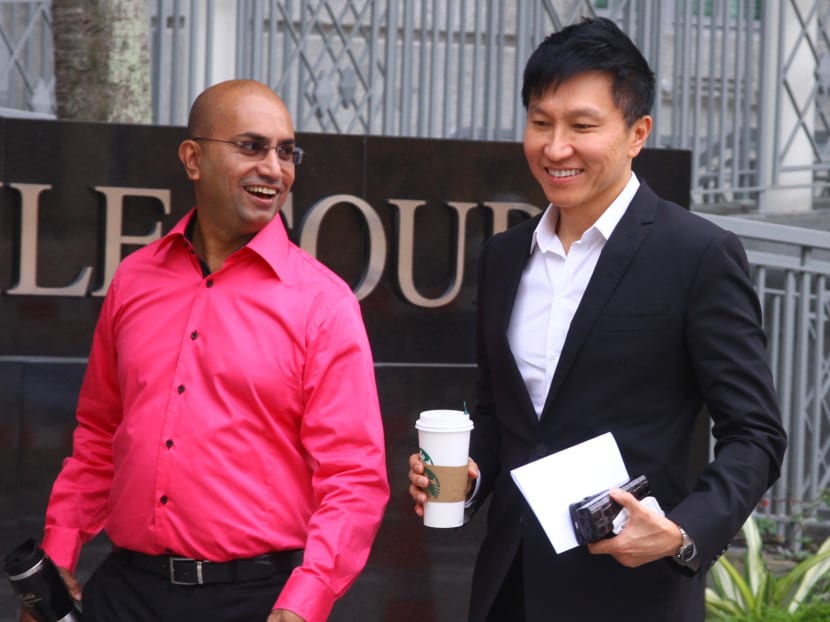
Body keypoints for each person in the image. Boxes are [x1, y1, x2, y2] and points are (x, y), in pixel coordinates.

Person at [408, 17, 786, 622]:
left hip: (631, 593)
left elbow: (756, 434)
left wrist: (681, 533)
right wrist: (470, 474)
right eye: (540, 123)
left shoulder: (697, 254)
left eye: (582, 126)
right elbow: (500, 411)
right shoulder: (505, 256)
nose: (556, 148)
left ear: (638, 133)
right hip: (508, 585)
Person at [24, 79, 389, 622]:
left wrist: (305, 601)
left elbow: (353, 476)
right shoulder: (134, 280)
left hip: (255, 601)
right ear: (193, 159)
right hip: (124, 592)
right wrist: (56, 558)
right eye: (251, 146)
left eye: (286, 151)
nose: (274, 167)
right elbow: (100, 435)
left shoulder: (324, 303)